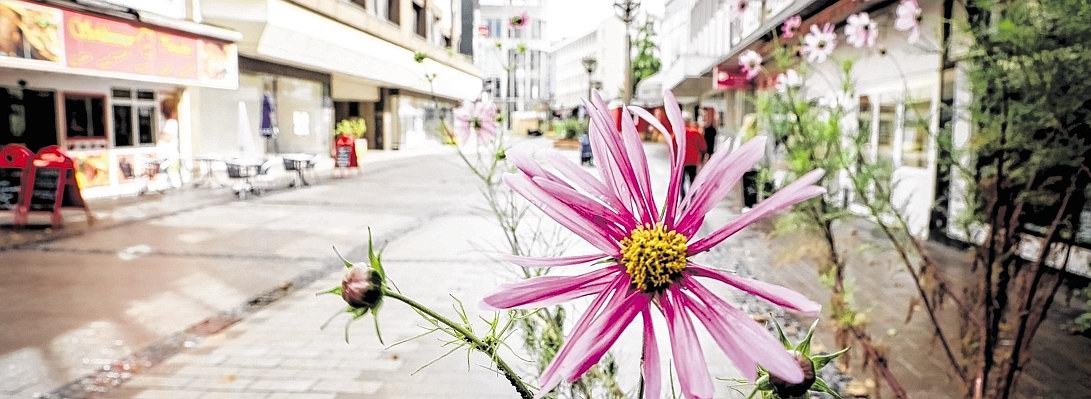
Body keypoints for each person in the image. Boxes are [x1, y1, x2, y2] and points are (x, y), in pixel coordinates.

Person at [681, 116, 707, 197]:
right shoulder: (696, 133)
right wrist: (702, 158)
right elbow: (703, 147)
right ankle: (692, 197)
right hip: (693, 161)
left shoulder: (678, 133)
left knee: (681, 182)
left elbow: (673, 148)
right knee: (692, 180)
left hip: (682, 162)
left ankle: (683, 197)